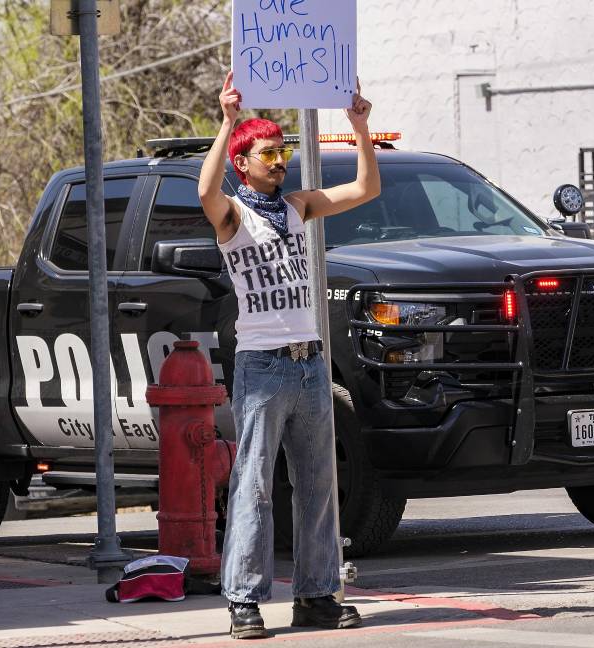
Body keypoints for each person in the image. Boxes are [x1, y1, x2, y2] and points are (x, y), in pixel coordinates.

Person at [198, 71, 380, 640]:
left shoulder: (298, 206)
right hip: (263, 364)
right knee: (254, 485)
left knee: (318, 485)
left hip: (309, 364)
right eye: (268, 154)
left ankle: (317, 595)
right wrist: (227, 120)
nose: (280, 162)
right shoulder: (234, 215)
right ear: (242, 163)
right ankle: (244, 601)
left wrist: (359, 128)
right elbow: (204, 193)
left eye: (284, 152)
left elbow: (364, 189)